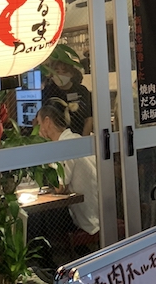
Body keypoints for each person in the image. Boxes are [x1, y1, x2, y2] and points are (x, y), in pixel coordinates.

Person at [37, 99, 100, 240]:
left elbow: (59, 187)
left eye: (39, 124)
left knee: (39, 222)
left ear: (47, 122)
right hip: (100, 212)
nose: (38, 129)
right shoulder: (76, 138)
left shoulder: (64, 147)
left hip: (88, 220)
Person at [42, 51, 94, 136]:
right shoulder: (48, 91)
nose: (60, 75)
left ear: (71, 73)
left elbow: (89, 118)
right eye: (57, 72)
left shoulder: (81, 91)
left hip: (78, 135)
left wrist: (83, 139)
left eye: (64, 72)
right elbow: (42, 117)